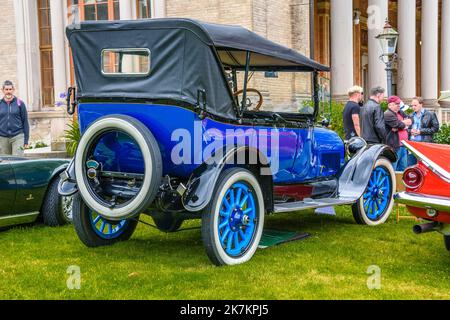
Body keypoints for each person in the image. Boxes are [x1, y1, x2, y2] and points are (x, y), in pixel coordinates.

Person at [407, 96, 440, 166]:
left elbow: (435, 129)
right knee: (411, 166)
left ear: (421, 104)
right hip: (412, 145)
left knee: (423, 167)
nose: (413, 107)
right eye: (412, 105)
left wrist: (421, 131)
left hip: (424, 144)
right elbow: (407, 129)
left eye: (415, 105)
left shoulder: (430, 114)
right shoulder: (410, 115)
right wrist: (410, 131)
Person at [0, 80, 30, 156]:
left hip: (18, 136)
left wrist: (26, 140)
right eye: (6, 89)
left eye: (10, 89)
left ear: (13, 90)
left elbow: (25, 122)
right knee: (5, 163)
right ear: (2, 90)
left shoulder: (20, 103)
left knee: (18, 161)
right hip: (2, 138)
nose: (8, 91)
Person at [384, 96, 411, 171]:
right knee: (393, 169)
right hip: (394, 147)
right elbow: (398, 125)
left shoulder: (401, 112)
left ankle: (400, 183)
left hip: (404, 146)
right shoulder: (388, 114)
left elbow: (411, 121)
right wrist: (402, 124)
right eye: (396, 104)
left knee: (403, 169)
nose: (398, 105)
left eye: (399, 103)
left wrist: (401, 125)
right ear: (390, 105)